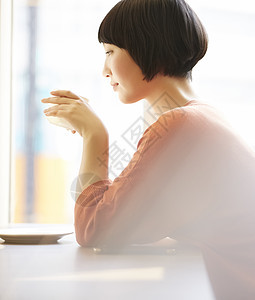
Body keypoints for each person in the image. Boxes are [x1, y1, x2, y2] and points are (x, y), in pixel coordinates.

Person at [42, 0, 255, 299]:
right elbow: (124, 212)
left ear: (145, 44)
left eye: (110, 52)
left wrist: (94, 134)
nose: (105, 70)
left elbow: (93, 229)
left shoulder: (180, 124)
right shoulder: (200, 116)